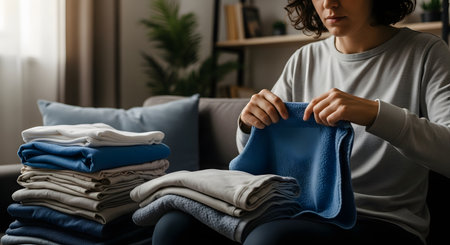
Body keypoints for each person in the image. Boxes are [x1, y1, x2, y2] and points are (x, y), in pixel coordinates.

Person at [152, 0, 450, 244]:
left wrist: (375, 113)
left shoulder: (426, 53)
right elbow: (260, 152)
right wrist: (249, 124)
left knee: (270, 239)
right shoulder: (303, 59)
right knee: (174, 225)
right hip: (299, 208)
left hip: (383, 220)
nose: (329, 3)